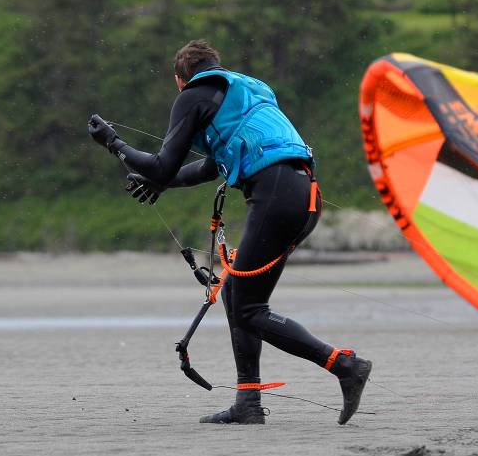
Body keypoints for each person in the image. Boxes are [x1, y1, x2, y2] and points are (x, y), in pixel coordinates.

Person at [88, 40, 372, 425]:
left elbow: (161, 166)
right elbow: (207, 168)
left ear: (180, 79)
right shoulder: (243, 91)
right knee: (236, 294)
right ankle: (248, 403)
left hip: (276, 197)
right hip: (304, 196)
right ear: (215, 66)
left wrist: (112, 143)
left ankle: (344, 365)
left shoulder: (192, 96)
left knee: (250, 309)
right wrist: (163, 182)